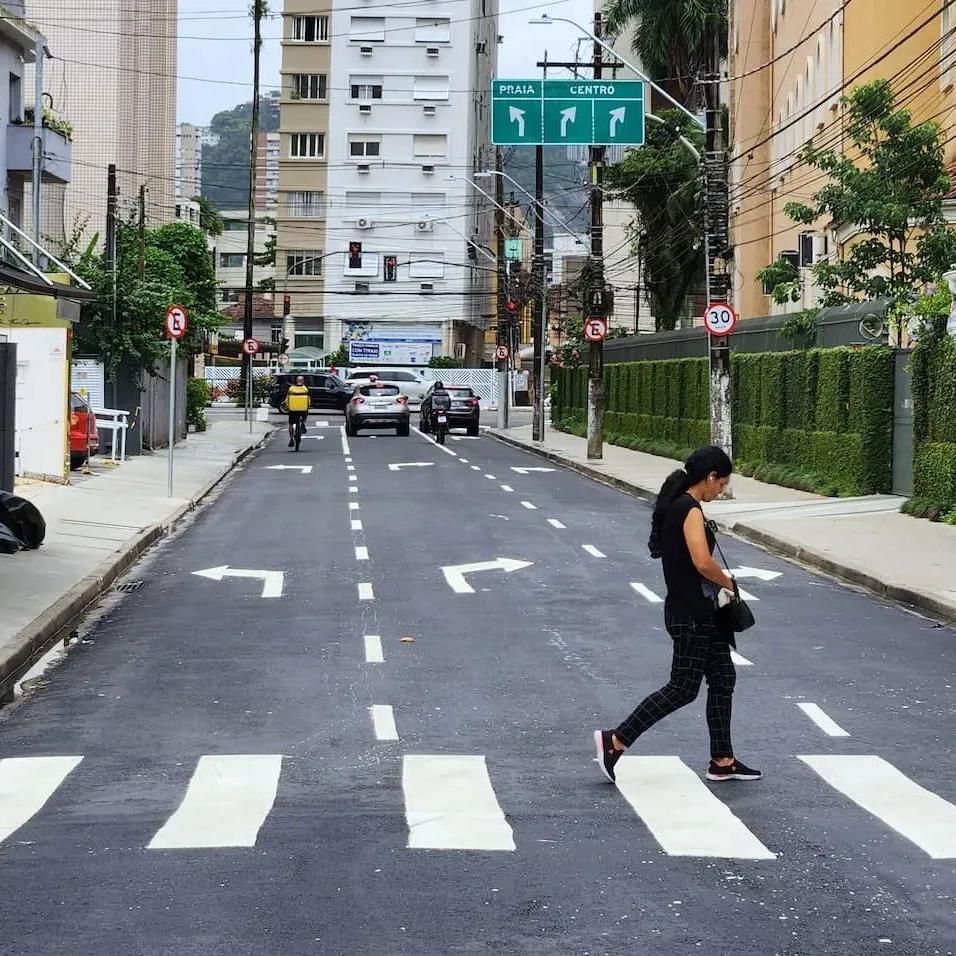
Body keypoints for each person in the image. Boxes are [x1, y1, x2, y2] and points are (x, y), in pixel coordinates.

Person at [594, 446, 761, 785]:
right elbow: (701, 561)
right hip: (692, 614)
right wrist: (728, 581)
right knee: (682, 688)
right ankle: (615, 741)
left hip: (696, 612)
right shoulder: (690, 509)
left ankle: (722, 760)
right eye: (722, 483)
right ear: (710, 477)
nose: (722, 490)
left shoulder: (679, 505)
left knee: (723, 679)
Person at [285, 375, 310, 447]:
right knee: (305, 413)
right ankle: (303, 423)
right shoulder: (305, 389)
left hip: (293, 410)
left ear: (296, 381)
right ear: (303, 381)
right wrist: (308, 406)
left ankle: (291, 439)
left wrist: (287, 407)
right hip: (303, 410)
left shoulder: (291, 388)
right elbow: (308, 400)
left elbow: (287, 400)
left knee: (290, 424)